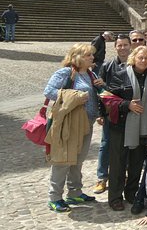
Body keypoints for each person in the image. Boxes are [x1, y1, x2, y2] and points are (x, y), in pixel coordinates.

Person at [43, 43, 101, 212]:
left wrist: (100, 86)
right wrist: (74, 96)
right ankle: (55, 197)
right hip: (69, 123)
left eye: (92, 55)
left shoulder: (91, 73)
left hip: (86, 123)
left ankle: (75, 192)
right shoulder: (66, 72)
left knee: (78, 159)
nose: (92, 57)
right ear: (77, 57)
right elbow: (49, 91)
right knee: (63, 159)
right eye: (88, 55)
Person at [106, 45, 147, 211]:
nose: (143, 61)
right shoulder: (120, 75)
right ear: (133, 58)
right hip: (121, 126)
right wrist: (127, 104)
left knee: (136, 163)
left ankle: (131, 193)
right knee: (118, 163)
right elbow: (108, 98)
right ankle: (115, 197)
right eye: (140, 57)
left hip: (143, 127)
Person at [94, 34, 132, 195]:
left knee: (129, 145)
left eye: (125, 45)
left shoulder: (136, 63)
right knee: (106, 144)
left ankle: (124, 175)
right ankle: (102, 177)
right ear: (115, 47)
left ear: (130, 46)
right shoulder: (107, 66)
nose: (122, 48)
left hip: (130, 111)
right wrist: (101, 113)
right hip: (112, 112)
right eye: (119, 45)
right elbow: (101, 92)